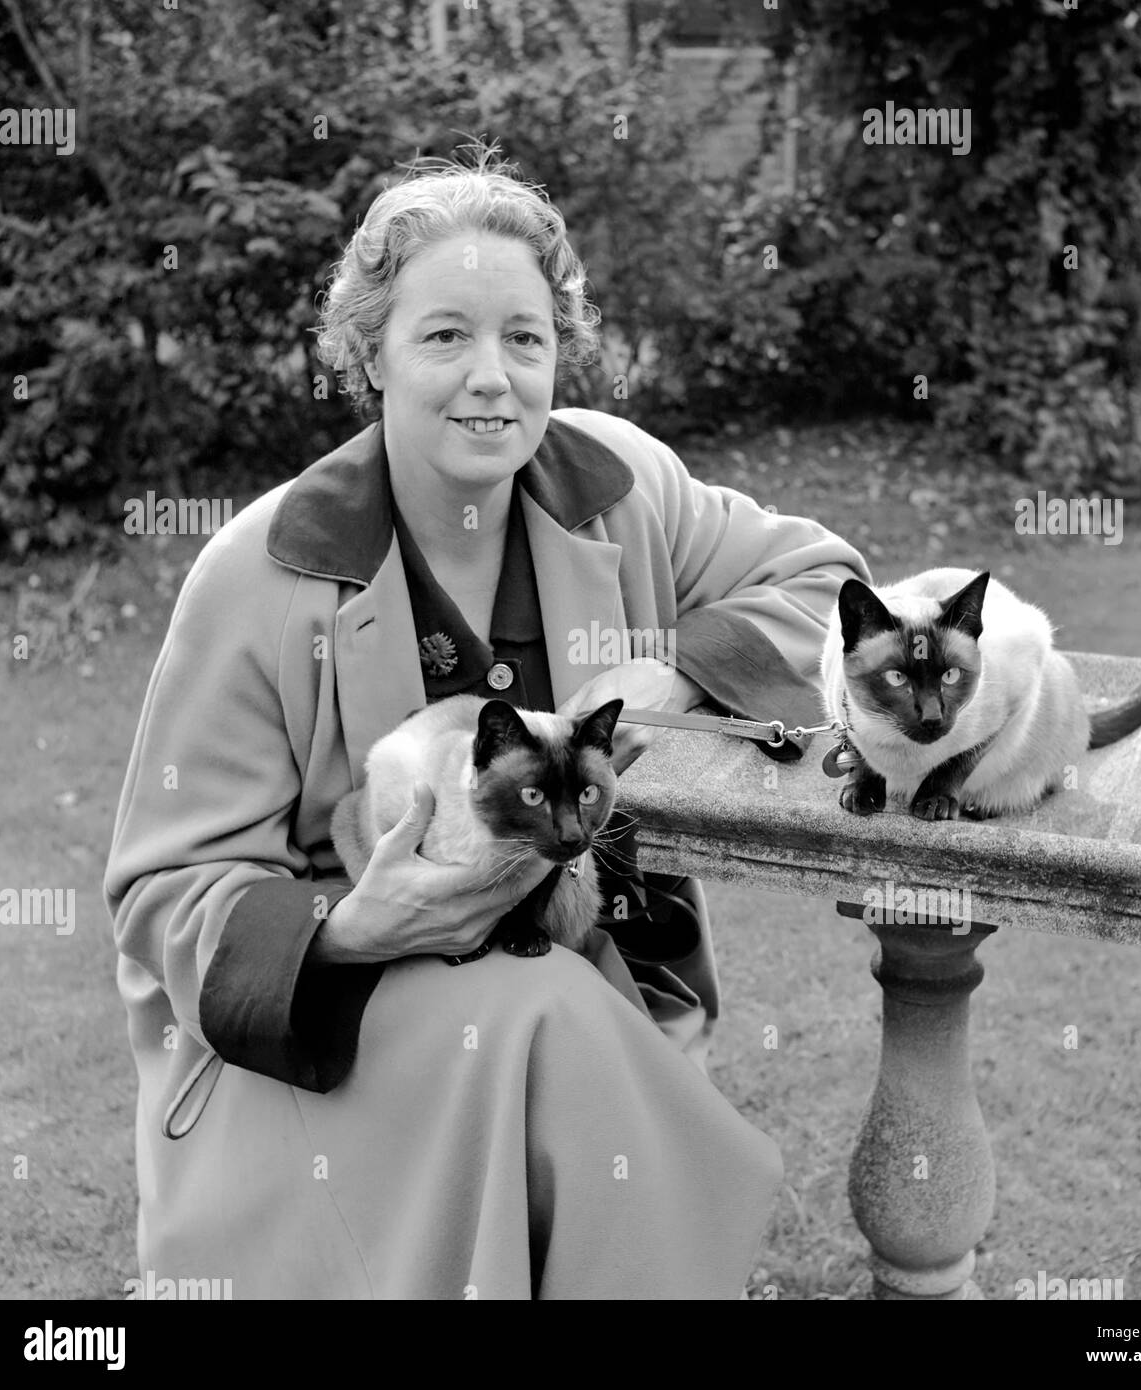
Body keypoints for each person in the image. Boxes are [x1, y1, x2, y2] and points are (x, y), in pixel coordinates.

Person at [104, 148, 872, 1299]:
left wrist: (673, 672)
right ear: (368, 355)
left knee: (555, 1011)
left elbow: (828, 586)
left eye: (525, 337)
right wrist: (353, 929)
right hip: (340, 1030)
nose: (492, 378)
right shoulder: (259, 572)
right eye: (444, 335)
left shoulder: (622, 484)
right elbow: (163, 891)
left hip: (608, 969)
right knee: (542, 1018)